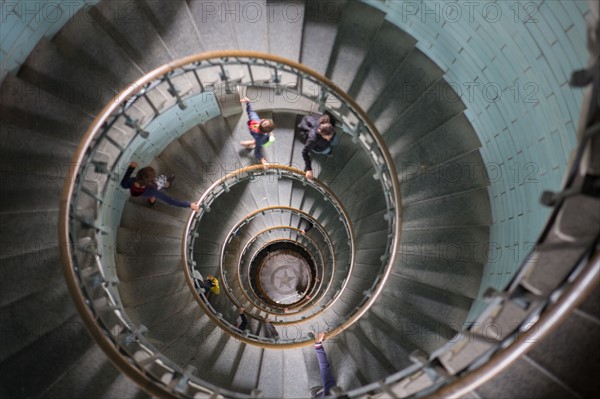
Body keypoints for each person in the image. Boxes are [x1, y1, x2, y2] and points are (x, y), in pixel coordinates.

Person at [120, 162, 199, 211]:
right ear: (151, 181)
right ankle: (167, 184)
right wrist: (189, 204)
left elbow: (123, 184)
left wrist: (131, 168)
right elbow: (170, 201)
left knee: (152, 195)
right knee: (162, 180)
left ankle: (152, 203)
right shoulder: (153, 190)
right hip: (149, 192)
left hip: (138, 193)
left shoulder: (131, 182)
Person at [239, 97, 275, 169]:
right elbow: (257, 152)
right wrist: (263, 160)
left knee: (257, 142)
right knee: (266, 141)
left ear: (262, 120)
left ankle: (251, 143)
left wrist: (248, 102)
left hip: (258, 138)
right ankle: (251, 143)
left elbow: (250, 111)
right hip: (260, 139)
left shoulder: (254, 119)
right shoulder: (261, 137)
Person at [310, 332, 338, 397]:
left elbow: (325, 368)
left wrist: (318, 345)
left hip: (329, 392)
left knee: (329, 386)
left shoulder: (331, 393)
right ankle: (317, 396)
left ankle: (317, 396)